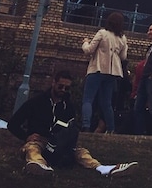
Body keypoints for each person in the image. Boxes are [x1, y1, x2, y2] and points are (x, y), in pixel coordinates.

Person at [9, 70, 137, 177]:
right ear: (53, 83)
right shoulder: (36, 102)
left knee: (81, 152)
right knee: (32, 148)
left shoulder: (68, 106)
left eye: (67, 88)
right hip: (40, 140)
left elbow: (70, 128)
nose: (63, 90)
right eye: (60, 86)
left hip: (59, 143)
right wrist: (26, 136)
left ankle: (104, 168)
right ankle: (39, 166)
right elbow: (13, 124)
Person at [80, 11, 128, 133]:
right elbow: (123, 57)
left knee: (88, 99)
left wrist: (85, 42)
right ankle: (111, 129)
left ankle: (86, 126)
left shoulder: (102, 33)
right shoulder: (122, 38)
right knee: (106, 103)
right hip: (113, 72)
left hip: (97, 68)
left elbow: (89, 50)